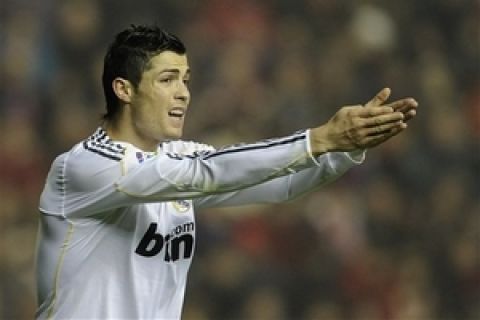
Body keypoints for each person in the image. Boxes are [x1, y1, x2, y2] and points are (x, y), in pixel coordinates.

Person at [35, 24, 418, 319]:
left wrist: (344, 149)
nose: (184, 93)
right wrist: (318, 138)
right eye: (167, 80)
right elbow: (207, 173)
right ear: (124, 89)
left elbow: (279, 184)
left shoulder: (179, 159)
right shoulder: (85, 166)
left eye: (186, 80)